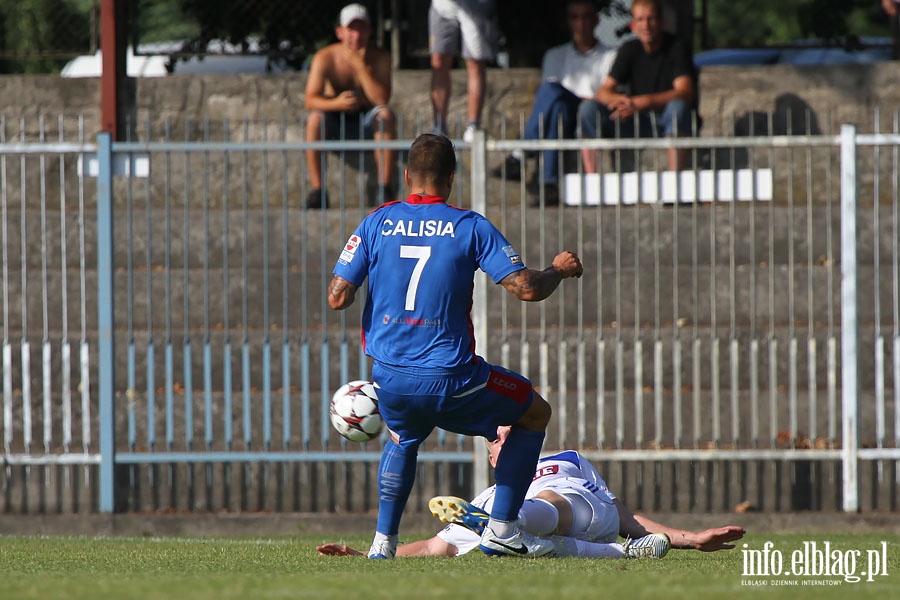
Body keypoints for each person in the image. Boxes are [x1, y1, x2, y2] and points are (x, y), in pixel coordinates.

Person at [327, 133, 584, 559]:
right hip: (453, 377)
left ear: (408, 176)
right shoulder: (469, 226)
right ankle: (502, 528)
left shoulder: (377, 222)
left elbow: (337, 296)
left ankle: (382, 546)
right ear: (451, 178)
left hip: (390, 377)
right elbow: (525, 289)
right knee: (536, 412)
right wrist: (557, 269)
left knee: (403, 438)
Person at [317, 426, 746, 558]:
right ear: (490, 457)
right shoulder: (484, 494)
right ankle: (508, 534)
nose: (503, 444)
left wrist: (690, 538)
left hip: (574, 503)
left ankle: (508, 527)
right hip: (509, 515)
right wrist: (367, 559)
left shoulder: (567, 460)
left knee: (544, 505)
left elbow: (627, 517)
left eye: (509, 435)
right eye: (495, 442)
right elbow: (432, 547)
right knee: (518, 539)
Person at [493, 0, 617, 207]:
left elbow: (606, 94)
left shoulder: (611, 55)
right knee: (556, 104)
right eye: (575, 17)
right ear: (569, 22)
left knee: (555, 93)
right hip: (564, 114)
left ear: (596, 21)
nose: (581, 23)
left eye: (586, 16)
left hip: (592, 113)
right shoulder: (555, 55)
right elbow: (549, 98)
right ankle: (549, 185)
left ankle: (520, 153)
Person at [578, 0, 697, 173]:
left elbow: (685, 92)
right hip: (634, 121)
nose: (646, 25)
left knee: (678, 107)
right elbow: (604, 92)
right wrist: (623, 101)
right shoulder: (629, 49)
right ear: (633, 25)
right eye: (640, 20)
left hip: (665, 120)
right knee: (588, 109)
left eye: (651, 19)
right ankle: (592, 181)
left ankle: (675, 182)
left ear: (661, 21)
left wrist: (642, 102)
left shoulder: (677, 47)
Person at [304, 3, 397, 209]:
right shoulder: (325, 57)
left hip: (366, 118)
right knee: (314, 120)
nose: (356, 35)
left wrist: (360, 66)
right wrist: (337, 103)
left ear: (370, 31)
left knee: (385, 116)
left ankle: (384, 188)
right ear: (340, 32)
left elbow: (382, 99)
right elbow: (310, 100)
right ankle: (318, 190)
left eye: (362, 28)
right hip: (335, 118)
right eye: (351, 29)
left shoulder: (380, 57)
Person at [429, 0, 498, 142]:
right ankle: (439, 126)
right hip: (442, 5)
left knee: (475, 61)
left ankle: (473, 125)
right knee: (438, 60)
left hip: (475, 4)